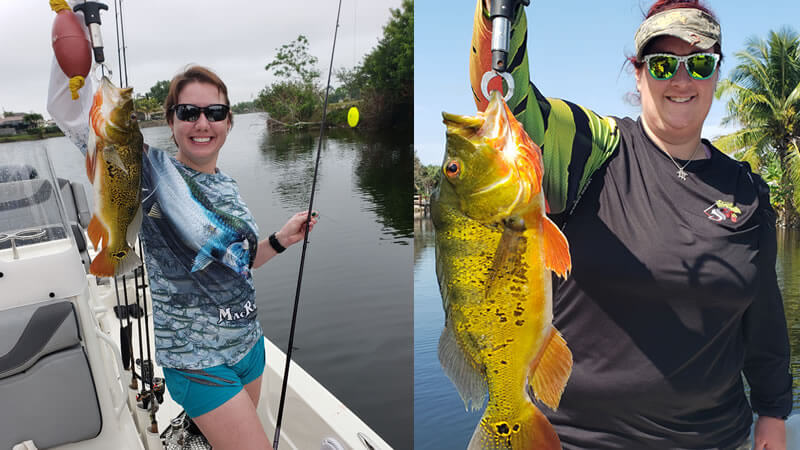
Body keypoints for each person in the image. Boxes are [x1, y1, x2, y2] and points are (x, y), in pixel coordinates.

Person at [469, 0, 792, 448]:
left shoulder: (747, 192)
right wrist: (496, 14)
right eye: (662, 65)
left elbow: (764, 320)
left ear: (716, 74)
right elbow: (508, 99)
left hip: (717, 438)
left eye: (699, 63)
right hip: (574, 439)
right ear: (638, 74)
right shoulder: (591, 150)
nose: (682, 79)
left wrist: (773, 413)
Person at [49, 65, 317, 450]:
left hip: (248, 347)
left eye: (215, 112)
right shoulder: (149, 170)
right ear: (170, 120)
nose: (202, 123)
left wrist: (279, 240)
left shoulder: (226, 183)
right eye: (189, 112)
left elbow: (236, 262)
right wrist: (73, 31)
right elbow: (71, 114)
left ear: (229, 121)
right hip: (198, 361)